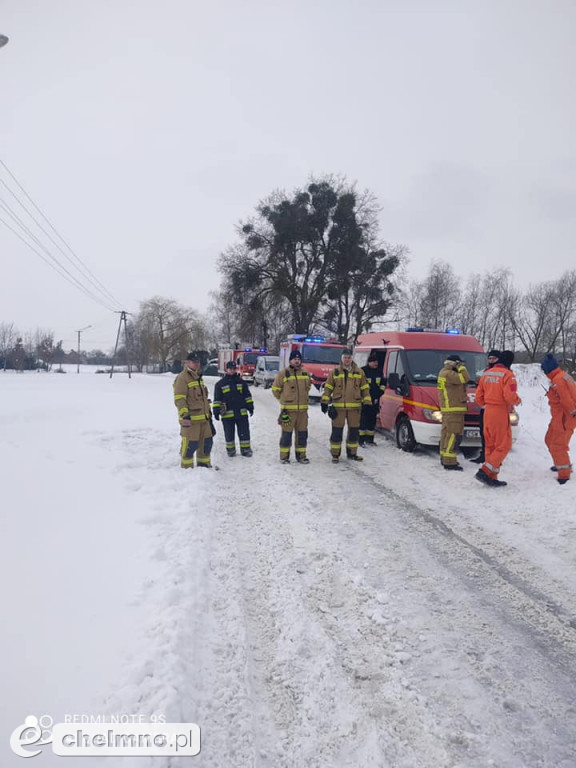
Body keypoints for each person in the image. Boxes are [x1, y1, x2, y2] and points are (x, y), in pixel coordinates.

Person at [474, 350, 521, 487]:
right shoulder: (508, 375)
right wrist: (517, 400)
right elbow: (509, 396)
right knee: (503, 445)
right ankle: (485, 471)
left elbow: (478, 397)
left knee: (491, 446)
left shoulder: (487, 373)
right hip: (500, 412)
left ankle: (491, 476)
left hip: (488, 412)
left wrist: (487, 404)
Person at [321, 349, 371, 463]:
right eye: (345, 357)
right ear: (341, 358)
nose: (347, 360)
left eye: (349, 357)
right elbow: (328, 388)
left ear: (352, 358)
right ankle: (335, 455)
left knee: (353, 432)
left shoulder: (359, 372)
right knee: (337, 432)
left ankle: (352, 453)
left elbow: (365, 388)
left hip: (355, 409)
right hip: (338, 408)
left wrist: (367, 403)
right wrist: (324, 401)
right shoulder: (335, 372)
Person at [173, 352, 213, 468]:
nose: (197, 364)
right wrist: (184, 415)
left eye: (198, 362)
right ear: (187, 363)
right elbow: (180, 398)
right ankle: (187, 468)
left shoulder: (198, 376)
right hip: (191, 421)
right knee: (190, 446)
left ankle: (204, 465)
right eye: (194, 362)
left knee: (206, 444)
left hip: (204, 419)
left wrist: (208, 413)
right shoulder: (182, 378)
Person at [541, 353, 576, 485]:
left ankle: (564, 474)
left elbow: (566, 399)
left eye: (544, 371)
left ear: (548, 370)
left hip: (565, 417)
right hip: (560, 416)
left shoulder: (558, 380)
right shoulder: (562, 376)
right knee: (549, 439)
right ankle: (561, 463)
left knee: (557, 445)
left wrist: (573, 413)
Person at [271, 349, 311, 464]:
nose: (297, 361)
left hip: (303, 412)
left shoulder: (305, 373)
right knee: (286, 435)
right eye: (295, 359)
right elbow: (275, 390)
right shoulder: (283, 373)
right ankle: (284, 457)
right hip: (288, 411)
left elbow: (308, 387)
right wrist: (283, 400)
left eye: (298, 359)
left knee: (302, 435)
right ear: (290, 361)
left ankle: (301, 456)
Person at [212, 360, 254, 458]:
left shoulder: (241, 382)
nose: (232, 370)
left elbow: (247, 396)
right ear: (226, 369)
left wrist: (250, 407)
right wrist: (216, 411)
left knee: (244, 432)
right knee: (229, 433)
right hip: (227, 414)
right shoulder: (220, 384)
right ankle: (230, 450)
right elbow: (217, 399)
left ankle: (246, 449)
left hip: (241, 413)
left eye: (234, 369)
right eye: (230, 368)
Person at [437, 354, 471, 470]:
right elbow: (465, 378)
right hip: (453, 409)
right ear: (454, 363)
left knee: (446, 434)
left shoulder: (444, 372)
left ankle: (444, 457)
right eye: (459, 363)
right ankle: (449, 461)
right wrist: (461, 367)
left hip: (450, 409)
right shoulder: (449, 374)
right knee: (452, 435)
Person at [470, 349, 501, 464]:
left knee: (495, 434)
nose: (491, 360)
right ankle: (485, 455)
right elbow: (480, 389)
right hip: (485, 407)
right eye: (490, 358)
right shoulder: (485, 371)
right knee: (485, 433)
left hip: (497, 408)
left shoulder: (503, 372)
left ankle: (495, 457)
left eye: (494, 358)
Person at [359, 352, 386, 447]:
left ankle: (370, 440)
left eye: (377, 362)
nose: (376, 363)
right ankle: (361, 440)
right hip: (364, 401)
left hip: (375, 400)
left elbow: (383, 383)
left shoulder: (379, 371)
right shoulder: (363, 371)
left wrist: (380, 392)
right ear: (369, 362)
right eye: (374, 362)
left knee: (372, 420)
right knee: (363, 420)